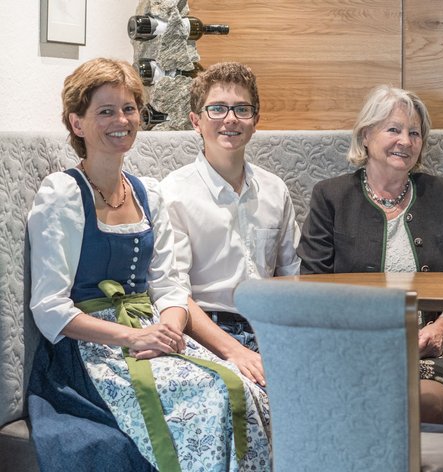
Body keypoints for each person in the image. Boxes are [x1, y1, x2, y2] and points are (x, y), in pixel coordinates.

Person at [26, 58, 271, 471]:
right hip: (91, 351)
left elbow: (171, 287)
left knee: (250, 389)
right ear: (77, 123)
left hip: (153, 333)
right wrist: (131, 337)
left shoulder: (147, 193)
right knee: (211, 399)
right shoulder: (63, 194)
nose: (121, 120)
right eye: (105, 111)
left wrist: (169, 332)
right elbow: (49, 308)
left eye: (128, 108)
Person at [297, 85, 443, 424]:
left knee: (427, 403)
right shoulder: (331, 197)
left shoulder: (442, 194)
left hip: (430, 347)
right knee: (352, 400)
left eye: (414, 133)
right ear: (366, 135)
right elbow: (312, 286)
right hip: (351, 343)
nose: (405, 142)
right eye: (393, 129)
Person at [161, 61, 300, 386]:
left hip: (270, 327)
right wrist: (236, 351)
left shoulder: (275, 189)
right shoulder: (174, 193)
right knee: (251, 393)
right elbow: (174, 293)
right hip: (206, 331)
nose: (230, 119)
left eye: (241, 109)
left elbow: (291, 276)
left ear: (255, 121)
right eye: (218, 109)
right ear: (196, 121)